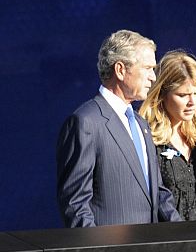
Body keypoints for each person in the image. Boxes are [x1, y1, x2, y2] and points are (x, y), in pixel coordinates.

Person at [56, 29, 181, 227]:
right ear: (121, 70)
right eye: (147, 68)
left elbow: (157, 192)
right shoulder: (86, 122)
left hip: (151, 251)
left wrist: (184, 234)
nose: (153, 77)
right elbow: (75, 203)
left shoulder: (141, 124)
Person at [139, 51, 196, 220]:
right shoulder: (146, 137)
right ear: (161, 94)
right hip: (165, 239)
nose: (192, 102)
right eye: (183, 95)